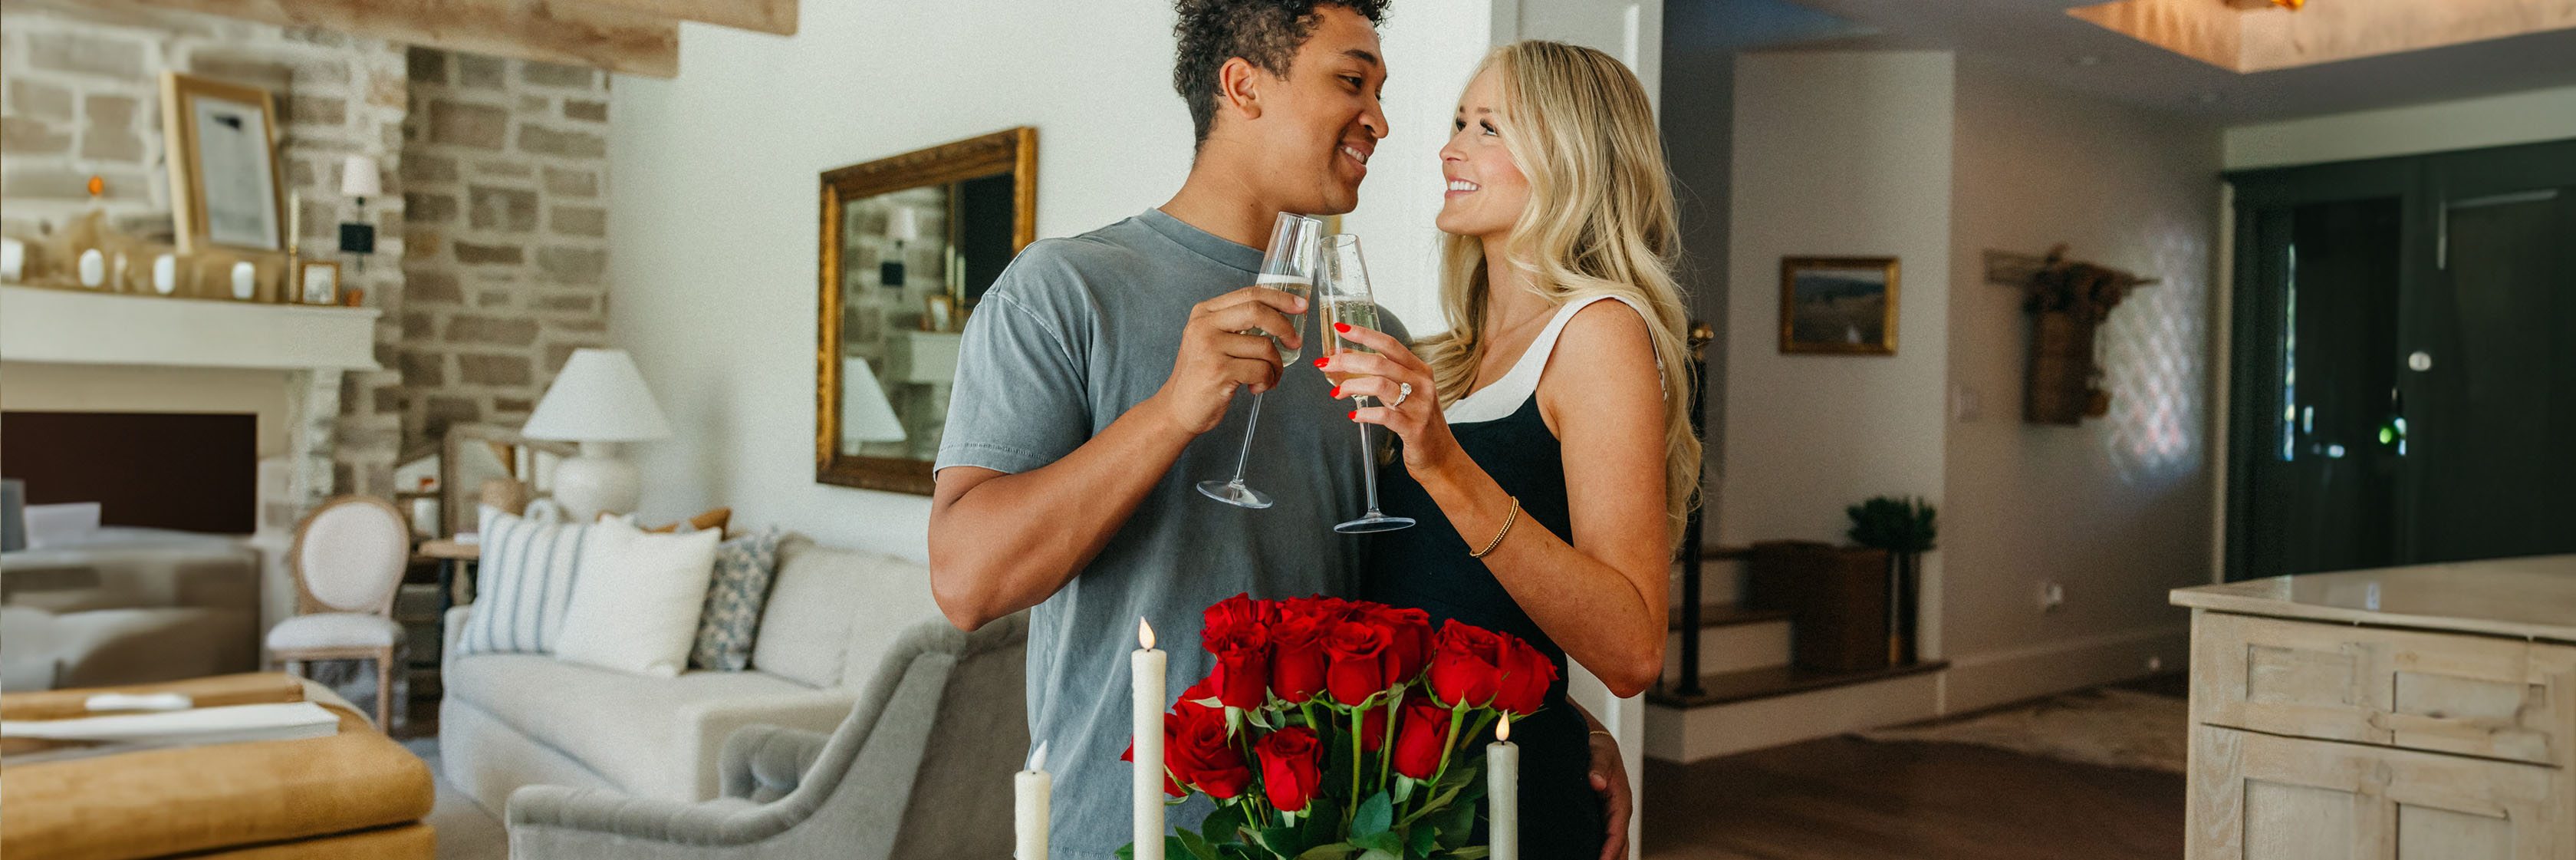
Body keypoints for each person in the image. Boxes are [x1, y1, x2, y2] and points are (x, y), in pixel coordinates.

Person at [927, 5, 1634, 858]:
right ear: (1241, 85)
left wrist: (1549, 712)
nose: (1379, 118)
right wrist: (1171, 411)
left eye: (1380, 90)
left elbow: (1403, 595)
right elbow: (967, 579)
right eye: (1350, 81)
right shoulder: (1063, 289)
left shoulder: (1373, 343)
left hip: (1336, 835)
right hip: (1126, 830)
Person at [1321, 40, 1699, 860]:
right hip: (1387, 791)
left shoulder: (1598, 333)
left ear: (1569, 158)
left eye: (1487, 127)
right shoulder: (1445, 353)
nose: (1449, 148)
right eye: (1459, 122)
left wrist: (1442, 463)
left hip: (1497, 803)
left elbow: (1631, 648)